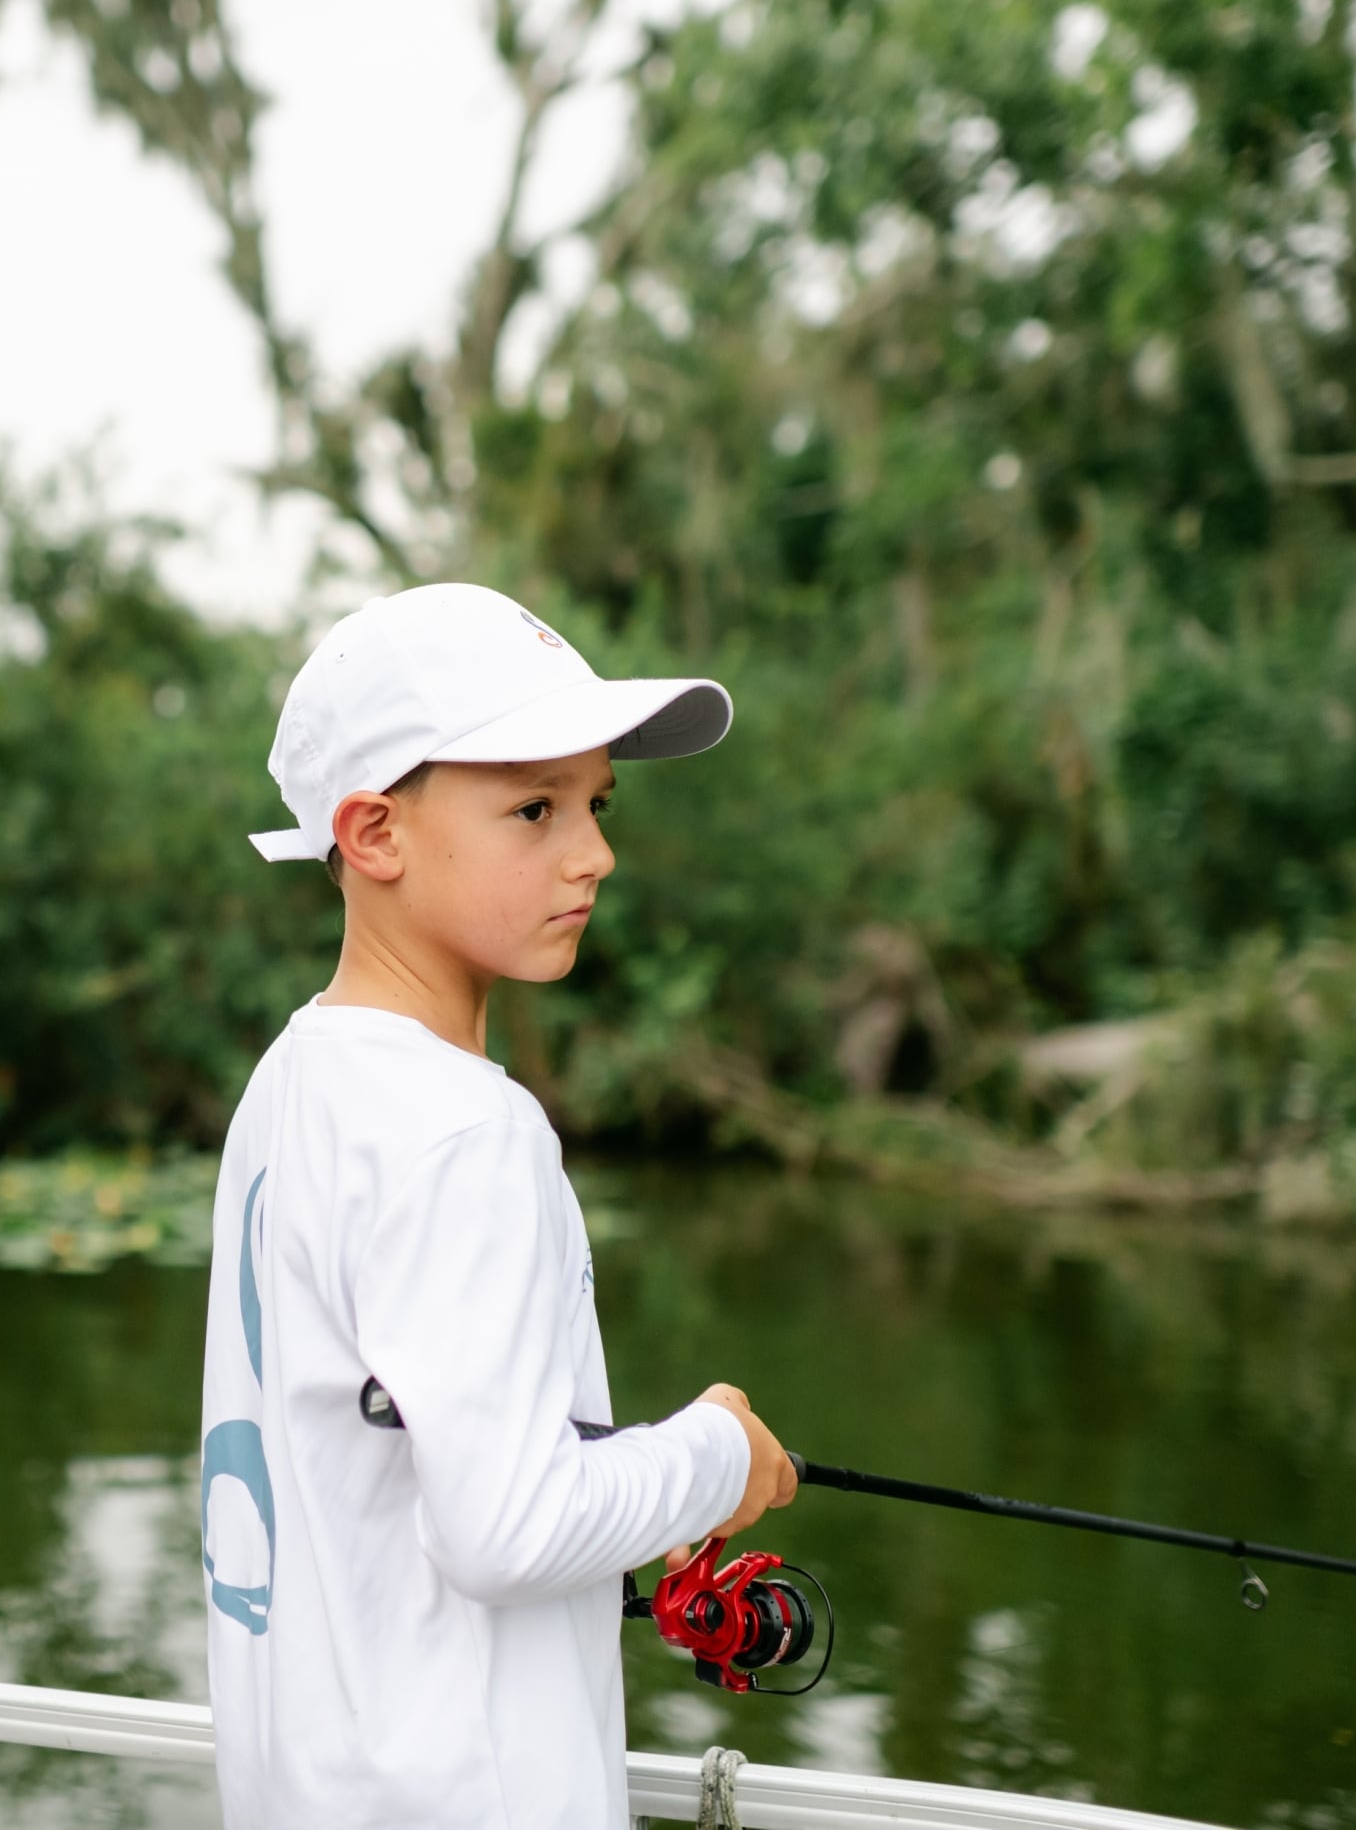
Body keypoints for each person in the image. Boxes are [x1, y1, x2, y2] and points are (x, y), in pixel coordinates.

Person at [198, 582, 801, 1829]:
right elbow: (509, 1527)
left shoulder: (293, 1081)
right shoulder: (467, 1127)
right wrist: (713, 1454)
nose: (592, 852)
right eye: (533, 807)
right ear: (372, 833)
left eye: (595, 803)